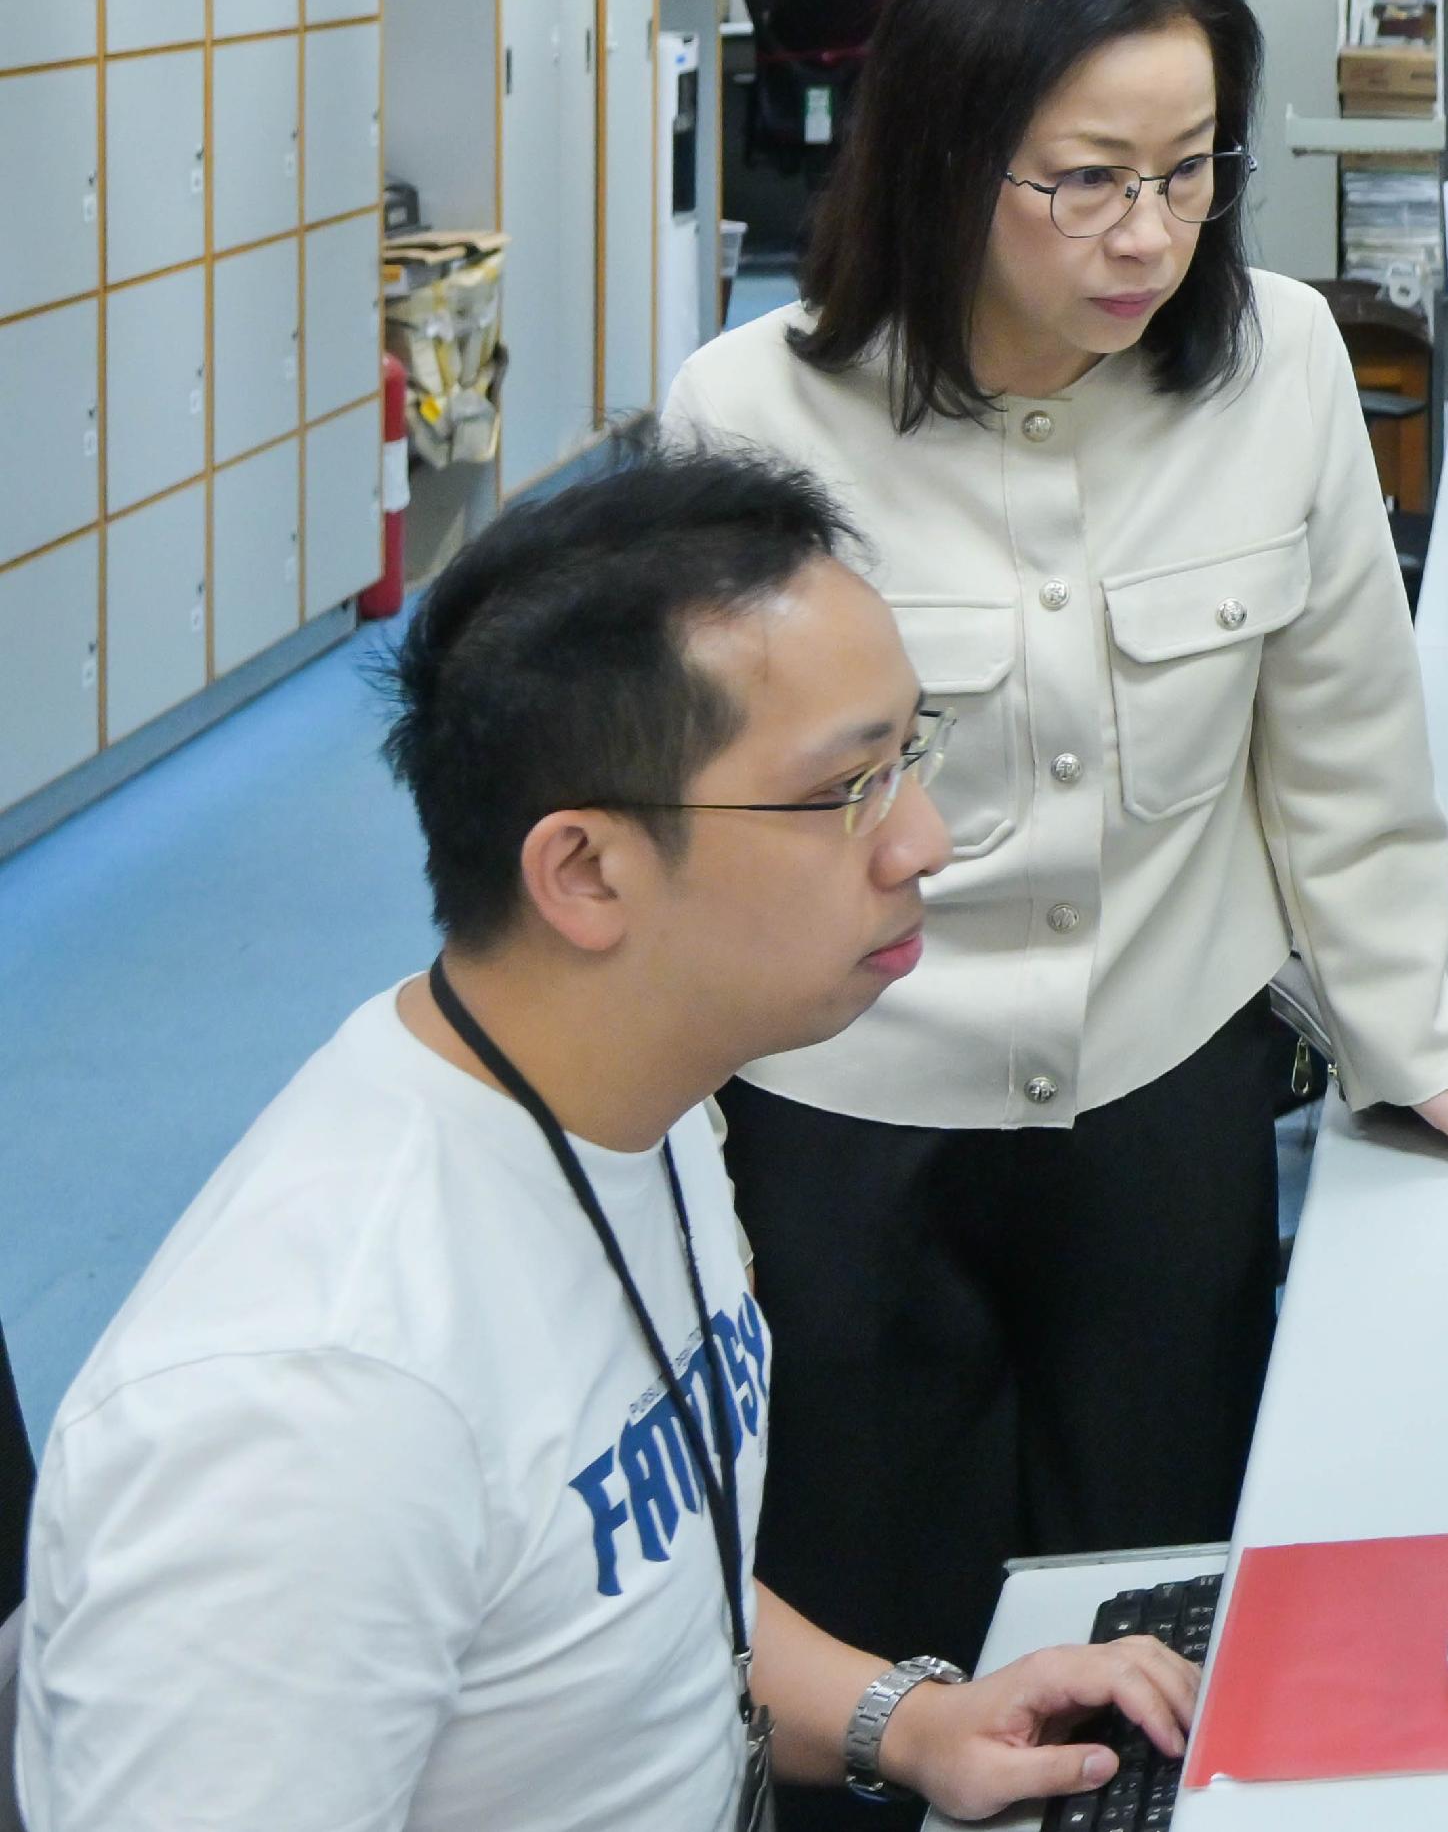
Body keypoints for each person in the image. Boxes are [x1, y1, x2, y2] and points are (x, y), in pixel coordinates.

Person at [659, 0, 1448, 1817]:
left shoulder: (1280, 366)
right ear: (940, 161)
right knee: (891, 1643)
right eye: (1086, 182)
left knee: (1158, 1641)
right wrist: (688, 1176)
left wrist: (1410, 1036)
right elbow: (701, 866)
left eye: (1190, 175)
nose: (1147, 238)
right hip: (848, 1126)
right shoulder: (749, 413)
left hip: (1165, 1092)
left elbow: (1340, 746)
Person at [12, 448, 1201, 1830]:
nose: (924, 839)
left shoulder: (640, 1096)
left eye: (910, 755)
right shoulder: (314, 1415)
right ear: (583, 871)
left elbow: (616, 1588)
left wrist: (912, 1719)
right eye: (846, 790)